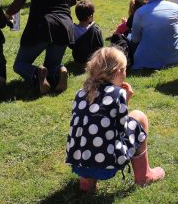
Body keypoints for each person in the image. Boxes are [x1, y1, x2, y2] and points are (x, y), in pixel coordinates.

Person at [66, 47, 165, 193]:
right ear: (118, 71)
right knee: (139, 117)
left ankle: (87, 182)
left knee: (88, 130)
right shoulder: (117, 93)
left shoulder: (81, 93)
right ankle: (144, 176)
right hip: (107, 166)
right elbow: (120, 129)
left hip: (78, 165)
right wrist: (125, 100)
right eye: (125, 69)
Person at [70, 0, 103, 69]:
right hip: (91, 60)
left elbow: (71, 45)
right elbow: (100, 46)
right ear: (90, 16)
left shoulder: (72, 29)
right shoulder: (94, 30)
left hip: (78, 60)